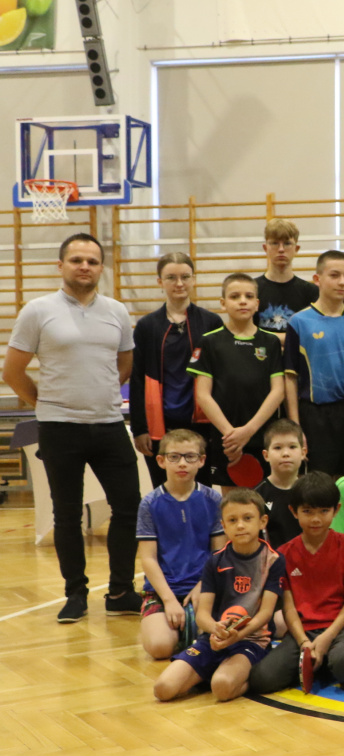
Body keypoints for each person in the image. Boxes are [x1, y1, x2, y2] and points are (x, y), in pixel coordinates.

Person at [4, 233, 141, 622]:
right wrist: (47, 405)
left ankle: (120, 591)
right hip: (59, 428)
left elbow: (124, 365)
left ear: (101, 268)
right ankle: (75, 593)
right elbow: (12, 372)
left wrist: (99, 395)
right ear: (61, 265)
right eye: (77, 260)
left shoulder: (116, 311)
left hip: (109, 424)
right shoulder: (38, 310)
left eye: (92, 261)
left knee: (130, 506)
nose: (85, 266)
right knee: (67, 514)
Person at [154, 489, 282, 704]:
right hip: (214, 638)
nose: (240, 525)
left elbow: (265, 614)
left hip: (251, 640)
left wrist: (236, 636)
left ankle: (246, 678)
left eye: (247, 518)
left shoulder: (273, 560)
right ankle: (212, 670)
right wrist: (215, 630)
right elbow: (202, 614)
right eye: (232, 520)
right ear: (223, 525)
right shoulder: (215, 561)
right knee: (163, 689)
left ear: (262, 522)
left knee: (222, 688)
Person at [247, 471, 344, 695]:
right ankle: (317, 661)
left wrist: (327, 637)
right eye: (307, 511)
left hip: (342, 628)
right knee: (262, 679)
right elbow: (289, 607)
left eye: (324, 511)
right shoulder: (284, 553)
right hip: (303, 631)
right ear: (294, 511)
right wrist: (303, 642)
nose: (316, 519)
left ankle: (326, 660)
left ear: (336, 510)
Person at [131, 252, 222, 485]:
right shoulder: (147, 326)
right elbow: (137, 378)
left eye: (185, 277)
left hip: (202, 425)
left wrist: (219, 428)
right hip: (159, 426)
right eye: (171, 277)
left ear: (194, 279)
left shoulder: (211, 322)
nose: (179, 283)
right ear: (160, 281)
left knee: (201, 491)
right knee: (164, 491)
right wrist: (139, 428)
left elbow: (221, 378)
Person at [135, 429, 225, 660]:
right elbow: (148, 558)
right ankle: (178, 631)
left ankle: (189, 633)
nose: (182, 463)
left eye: (190, 457)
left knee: (218, 638)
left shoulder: (213, 500)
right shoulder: (149, 503)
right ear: (161, 461)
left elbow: (219, 552)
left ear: (202, 461)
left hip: (205, 586)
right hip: (162, 590)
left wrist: (203, 585)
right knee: (159, 647)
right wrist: (168, 600)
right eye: (174, 457)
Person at [284, 250, 344, 478]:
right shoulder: (299, 322)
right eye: (334, 275)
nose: (343, 282)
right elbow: (290, 377)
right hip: (316, 417)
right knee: (321, 483)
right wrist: (295, 427)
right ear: (317, 279)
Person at [192, 273, 285, 482]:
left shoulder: (270, 342)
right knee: (231, 498)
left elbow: (278, 391)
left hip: (263, 436)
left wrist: (249, 431)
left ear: (257, 304)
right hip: (226, 439)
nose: (243, 301)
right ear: (223, 303)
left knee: (265, 496)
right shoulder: (209, 342)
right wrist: (231, 435)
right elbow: (203, 395)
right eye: (235, 296)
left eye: (249, 296)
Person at [255, 218, 319, 334]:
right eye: (275, 243)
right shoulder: (252, 289)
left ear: (296, 249)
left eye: (287, 243)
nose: (281, 249)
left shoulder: (311, 292)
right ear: (265, 248)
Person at [257, 418, 307, 549]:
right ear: (266, 455)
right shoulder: (257, 496)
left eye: (292, 447)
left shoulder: (311, 491)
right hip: (271, 559)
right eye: (278, 448)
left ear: (303, 453)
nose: (285, 453)